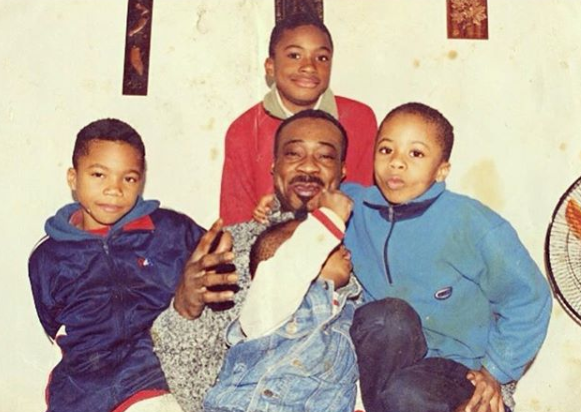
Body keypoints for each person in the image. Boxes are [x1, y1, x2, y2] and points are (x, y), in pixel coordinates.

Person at [341, 102, 552, 412]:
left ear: (442, 170)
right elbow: (310, 196)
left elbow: (529, 296)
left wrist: (495, 371)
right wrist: (274, 202)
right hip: (389, 362)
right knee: (386, 316)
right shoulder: (352, 207)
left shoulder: (470, 222)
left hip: (455, 368)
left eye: (416, 154)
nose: (397, 163)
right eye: (386, 150)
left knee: (405, 393)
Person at [28, 118, 235, 412]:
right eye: (99, 175)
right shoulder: (49, 256)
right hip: (84, 389)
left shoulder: (171, 231)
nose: (114, 189)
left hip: (156, 375)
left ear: (142, 180)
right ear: (73, 178)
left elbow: (224, 281)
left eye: (129, 178)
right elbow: (53, 324)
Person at [151, 109, 350, 412]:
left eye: (324, 157)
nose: (308, 166)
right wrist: (184, 311)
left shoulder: (357, 249)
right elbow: (192, 391)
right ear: (274, 166)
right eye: (293, 153)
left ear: (342, 171)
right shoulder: (233, 245)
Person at [204, 190, 360, 412]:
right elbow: (290, 268)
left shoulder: (350, 311)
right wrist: (328, 221)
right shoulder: (271, 306)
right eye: (329, 245)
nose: (342, 246)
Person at [219, 12, 377, 225]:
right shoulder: (245, 130)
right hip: (270, 250)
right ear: (270, 66)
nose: (309, 66)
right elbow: (236, 224)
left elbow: (362, 207)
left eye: (321, 58)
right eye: (294, 55)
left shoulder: (359, 119)